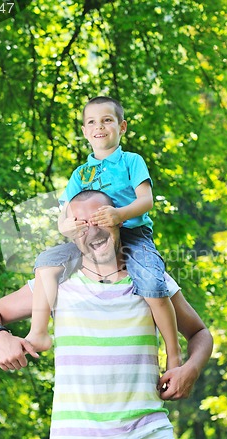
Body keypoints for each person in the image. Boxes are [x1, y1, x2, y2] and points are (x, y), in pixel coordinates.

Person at [0, 190, 213, 439]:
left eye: (100, 218)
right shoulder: (53, 282)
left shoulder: (151, 280)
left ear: (119, 220)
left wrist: (189, 369)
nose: (92, 229)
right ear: (70, 230)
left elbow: (200, 333)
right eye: (81, 222)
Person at [27, 96, 181, 370]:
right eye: (92, 122)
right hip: (88, 238)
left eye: (107, 120)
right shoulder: (81, 173)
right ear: (85, 132)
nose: (100, 126)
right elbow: (63, 214)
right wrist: (67, 227)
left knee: (153, 285)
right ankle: (39, 333)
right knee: (45, 264)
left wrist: (120, 214)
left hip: (132, 234)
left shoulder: (131, 161)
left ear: (121, 127)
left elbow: (146, 201)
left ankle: (174, 353)